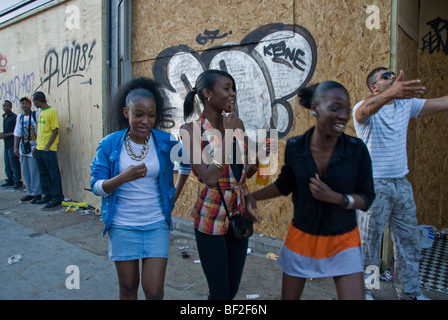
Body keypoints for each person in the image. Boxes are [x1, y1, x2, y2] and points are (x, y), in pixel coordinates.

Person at [246, 81, 376, 300]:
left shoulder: (356, 150)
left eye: (346, 108)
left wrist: (338, 199)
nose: (343, 115)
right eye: (335, 107)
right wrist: (253, 196)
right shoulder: (296, 147)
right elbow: (285, 184)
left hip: (343, 240)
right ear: (315, 108)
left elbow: (367, 197)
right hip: (302, 238)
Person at [90, 77, 190, 300]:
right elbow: (96, 186)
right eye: (139, 114)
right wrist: (122, 178)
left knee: (154, 292)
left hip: (156, 225)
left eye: (152, 115)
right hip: (123, 225)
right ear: (126, 112)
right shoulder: (109, 144)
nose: (146, 121)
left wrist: (174, 196)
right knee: (127, 288)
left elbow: (187, 163)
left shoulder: (165, 141)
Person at [353, 68, 448, 300]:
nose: (392, 78)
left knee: (409, 242)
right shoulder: (364, 107)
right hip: (374, 186)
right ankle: (365, 291)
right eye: (386, 77)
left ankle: (409, 293)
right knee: (369, 246)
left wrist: (396, 94)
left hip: (401, 185)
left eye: (393, 75)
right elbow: (361, 113)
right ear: (374, 87)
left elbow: (439, 103)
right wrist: (391, 93)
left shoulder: (406, 105)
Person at [180, 69, 260, 300]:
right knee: (219, 292)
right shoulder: (190, 131)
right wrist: (227, 134)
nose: (232, 94)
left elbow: (242, 174)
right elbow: (210, 177)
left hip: (238, 215)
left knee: (232, 290)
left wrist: (256, 161)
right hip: (210, 217)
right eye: (226, 88)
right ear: (207, 93)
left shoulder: (237, 124)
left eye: (233, 88)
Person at [32, 91, 64, 208]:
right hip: (40, 148)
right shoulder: (41, 113)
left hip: (48, 149)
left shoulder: (52, 111)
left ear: (38, 100)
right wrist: (37, 147)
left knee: (53, 174)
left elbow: (55, 130)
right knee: (43, 173)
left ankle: (57, 197)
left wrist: (47, 146)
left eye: (34, 101)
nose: (34, 104)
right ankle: (47, 195)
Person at [13, 97, 42, 203]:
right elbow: (17, 133)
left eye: (26, 103)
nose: (24, 105)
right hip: (24, 148)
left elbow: (40, 132)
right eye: (22, 104)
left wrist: (37, 147)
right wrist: (15, 147)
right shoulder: (20, 117)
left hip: (33, 147)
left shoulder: (36, 115)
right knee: (25, 171)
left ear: (30, 105)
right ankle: (29, 192)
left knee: (34, 171)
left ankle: (36, 193)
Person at [1, 100, 22, 189]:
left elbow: (17, 131)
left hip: (13, 143)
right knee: (7, 164)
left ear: (11, 107)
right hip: (6, 143)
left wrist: (5, 135)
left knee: (14, 164)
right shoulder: (4, 116)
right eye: (4, 106)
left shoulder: (14, 117)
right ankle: (10, 180)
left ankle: (17, 181)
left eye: (7, 106)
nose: (5, 107)